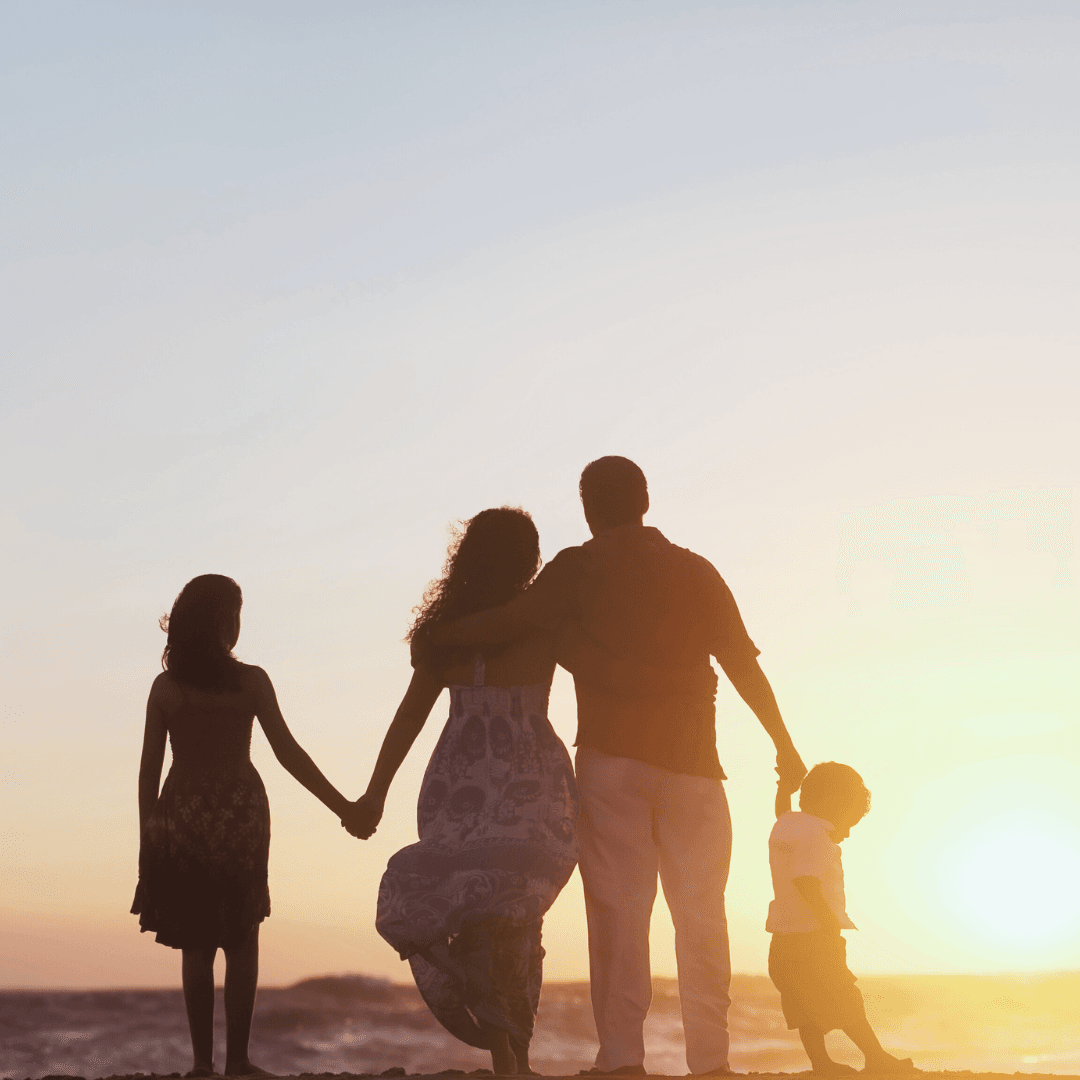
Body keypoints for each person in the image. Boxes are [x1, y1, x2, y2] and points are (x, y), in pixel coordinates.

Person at [431, 456, 806, 1076]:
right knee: (701, 916)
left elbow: (511, 623)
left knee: (617, 915)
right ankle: (711, 1063)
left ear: (586, 507)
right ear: (647, 500)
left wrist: (438, 637)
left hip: (614, 766)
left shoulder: (577, 568)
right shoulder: (695, 570)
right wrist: (784, 748)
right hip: (695, 769)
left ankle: (623, 1061)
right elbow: (744, 665)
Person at [347, 507, 579, 1076]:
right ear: (528, 559)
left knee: (482, 913)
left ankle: (507, 1047)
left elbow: (409, 718)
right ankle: (513, 1056)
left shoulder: (443, 635)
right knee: (519, 916)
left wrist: (375, 793)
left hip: (458, 785)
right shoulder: (540, 623)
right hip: (532, 780)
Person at [132, 574, 358, 1078]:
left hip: (185, 814)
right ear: (220, 621)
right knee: (241, 936)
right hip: (239, 815)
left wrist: (148, 836)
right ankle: (238, 1062)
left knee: (196, 942)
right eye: (234, 614)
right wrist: (343, 806)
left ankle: (201, 1065)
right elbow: (289, 754)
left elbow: (149, 771)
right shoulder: (251, 681)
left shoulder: (167, 688)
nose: (238, 625)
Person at [768, 762, 914, 1076]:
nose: (845, 834)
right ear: (832, 804)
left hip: (783, 940)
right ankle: (875, 1057)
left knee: (803, 1004)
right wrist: (829, 924)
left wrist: (784, 789)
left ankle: (820, 1063)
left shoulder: (788, 823)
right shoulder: (816, 837)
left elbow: (782, 812)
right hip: (814, 936)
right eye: (847, 822)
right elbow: (805, 880)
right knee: (845, 996)